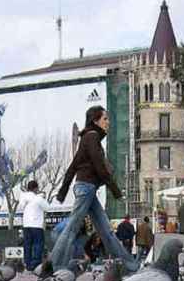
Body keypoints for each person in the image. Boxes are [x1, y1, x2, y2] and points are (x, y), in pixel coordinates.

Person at [50, 105, 135, 272]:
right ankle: (56, 266)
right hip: (86, 188)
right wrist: (116, 190)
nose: (108, 122)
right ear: (96, 120)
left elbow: (73, 166)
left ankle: (127, 265)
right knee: (72, 228)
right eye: (105, 119)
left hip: (87, 189)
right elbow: (99, 167)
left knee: (106, 230)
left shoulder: (88, 138)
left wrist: (62, 192)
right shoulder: (92, 137)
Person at [20, 180, 49, 270]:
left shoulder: (23, 197)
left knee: (27, 245)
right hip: (36, 225)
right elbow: (47, 208)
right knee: (38, 244)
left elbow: (21, 207)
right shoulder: (38, 198)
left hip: (26, 225)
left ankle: (28, 264)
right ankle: (35, 264)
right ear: (36, 188)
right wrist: (42, 196)